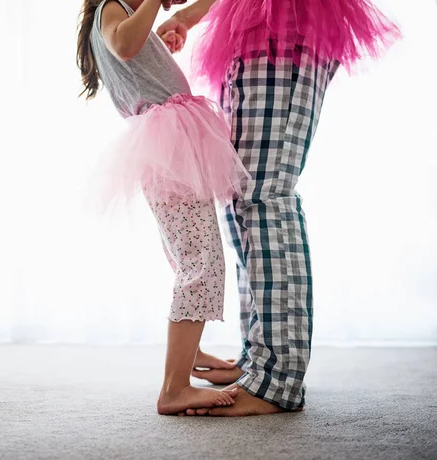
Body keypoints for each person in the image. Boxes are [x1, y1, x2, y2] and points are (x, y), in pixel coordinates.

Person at [156, 0, 400, 416]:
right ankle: (259, 360)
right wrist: (186, 16)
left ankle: (278, 379)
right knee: (244, 195)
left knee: (264, 194)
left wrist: (186, 14)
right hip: (255, 25)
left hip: (284, 23)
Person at [76, 0, 250, 415]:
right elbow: (125, 45)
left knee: (188, 255)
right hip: (166, 144)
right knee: (201, 263)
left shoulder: (125, 13)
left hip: (171, 142)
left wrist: (169, 25)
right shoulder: (110, 10)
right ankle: (174, 389)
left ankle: (192, 355)